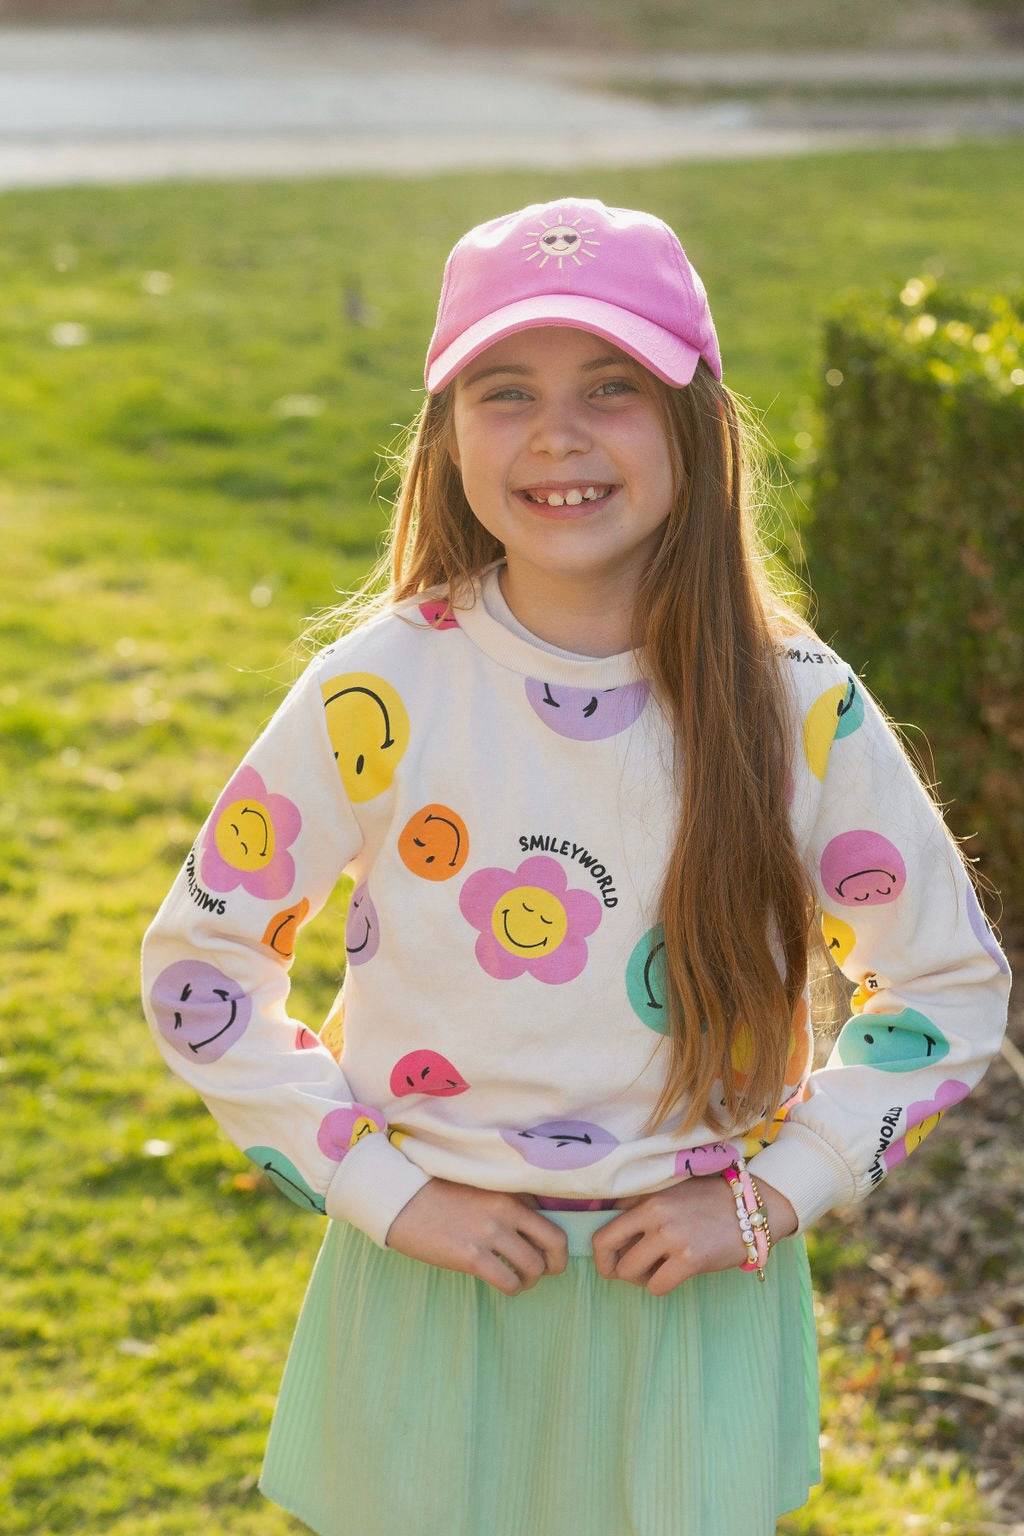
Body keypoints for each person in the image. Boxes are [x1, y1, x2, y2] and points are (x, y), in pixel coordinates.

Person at [141, 198, 1010, 1536]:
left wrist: (778, 1192)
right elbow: (202, 970)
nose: (559, 432)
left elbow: (945, 988)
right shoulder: (379, 690)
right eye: (506, 391)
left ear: (696, 427)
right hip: (437, 1284)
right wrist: (387, 1191)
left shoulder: (795, 705)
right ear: (447, 437)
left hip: (692, 1297)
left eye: (613, 387)